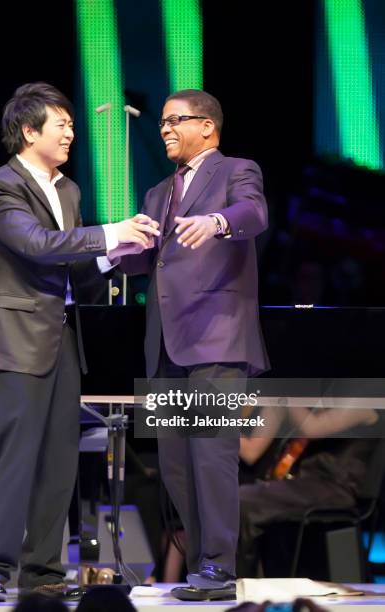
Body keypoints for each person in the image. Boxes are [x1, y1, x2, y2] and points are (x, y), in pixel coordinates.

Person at [0, 82, 159, 601]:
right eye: (62, 125)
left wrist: (113, 254)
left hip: (63, 338)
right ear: (29, 132)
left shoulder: (69, 190)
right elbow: (35, 245)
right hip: (17, 337)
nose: (72, 133)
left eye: (72, 125)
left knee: (59, 459)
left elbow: (72, 262)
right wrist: (110, 232)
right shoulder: (1, 187)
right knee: (18, 453)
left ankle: (44, 572)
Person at [119, 89, 269, 600]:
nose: (164, 129)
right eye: (161, 122)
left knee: (212, 458)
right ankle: (204, 568)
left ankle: (220, 569)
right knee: (177, 465)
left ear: (207, 126)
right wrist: (119, 244)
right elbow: (145, 263)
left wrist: (218, 221)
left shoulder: (236, 171)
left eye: (174, 120)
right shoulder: (158, 192)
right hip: (165, 345)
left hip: (216, 339)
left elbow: (254, 212)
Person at [238, 405, 382, 578]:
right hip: (301, 482)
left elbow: (312, 428)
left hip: (334, 486)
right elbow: (251, 451)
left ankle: (241, 583)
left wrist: (285, 392)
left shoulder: (364, 400)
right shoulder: (313, 398)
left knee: (242, 501)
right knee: (233, 495)